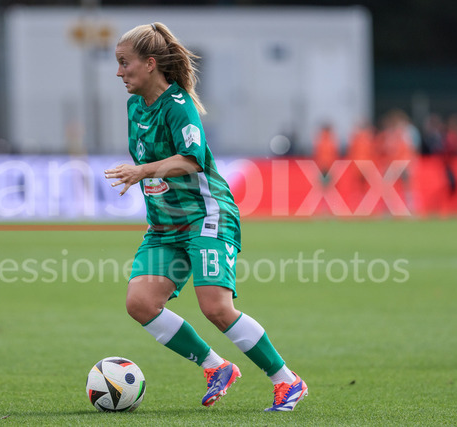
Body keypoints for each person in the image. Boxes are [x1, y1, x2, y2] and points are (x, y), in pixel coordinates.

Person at [104, 22, 307, 412]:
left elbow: (192, 160)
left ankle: (287, 380)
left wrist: (142, 172)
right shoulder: (134, 106)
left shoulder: (178, 105)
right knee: (140, 302)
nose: (118, 72)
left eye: (124, 63)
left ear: (150, 63)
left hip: (206, 216)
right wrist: (147, 179)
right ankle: (217, 367)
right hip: (165, 225)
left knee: (215, 307)